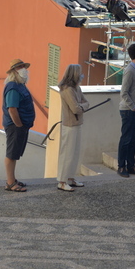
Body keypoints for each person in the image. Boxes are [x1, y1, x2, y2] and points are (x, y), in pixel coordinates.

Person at [2, 58, 36, 192]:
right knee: (11, 154)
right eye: (20, 67)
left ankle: (12, 180)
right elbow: (12, 109)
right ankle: (10, 183)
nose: (24, 70)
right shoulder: (13, 88)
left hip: (20, 126)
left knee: (15, 153)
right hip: (15, 126)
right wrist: (19, 125)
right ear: (14, 71)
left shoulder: (19, 86)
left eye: (24, 67)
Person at [56, 64, 90, 192]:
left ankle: (70, 178)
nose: (82, 74)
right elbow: (75, 108)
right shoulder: (67, 90)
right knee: (67, 154)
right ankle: (62, 181)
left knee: (75, 153)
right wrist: (82, 107)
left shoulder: (76, 88)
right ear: (75, 74)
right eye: (80, 72)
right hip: (70, 125)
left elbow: (85, 102)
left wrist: (81, 106)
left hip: (77, 123)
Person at [117, 43, 135, 177]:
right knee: (126, 139)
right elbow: (124, 92)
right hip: (129, 110)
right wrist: (133, 107)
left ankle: (131, 166)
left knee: (133, 139)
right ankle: (121, 167)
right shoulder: (129, 70)